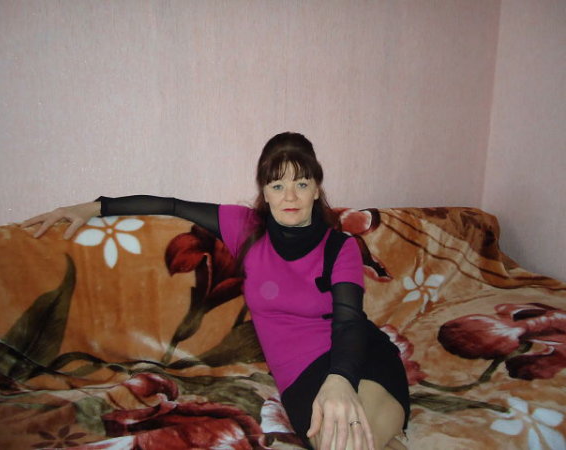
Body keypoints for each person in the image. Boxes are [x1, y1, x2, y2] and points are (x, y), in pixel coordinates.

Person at [21, 132, 410, 450]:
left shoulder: (339, 247)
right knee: (345, 445)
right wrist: (94, 207)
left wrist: (340, 380)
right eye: (278, 185)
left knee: (363, 439)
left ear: (316, 189)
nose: (290, 196)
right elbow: (172, 206)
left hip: (359, 357)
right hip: (301, 374)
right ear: (265, 192)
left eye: (301, 183)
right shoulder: (244, 228)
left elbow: (349, 322)